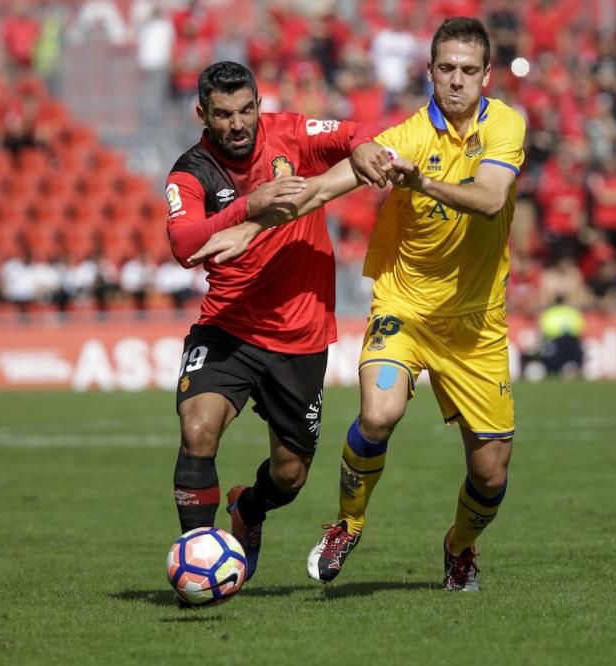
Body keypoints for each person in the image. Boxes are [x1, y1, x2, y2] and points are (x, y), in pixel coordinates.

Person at [189, 18, 526, 591]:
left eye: (469, 71)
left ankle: (459, 547)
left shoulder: (506, 126)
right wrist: (248, 226)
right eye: (446, 69)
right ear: (430, 72)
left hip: (476, 322)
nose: (456, 81)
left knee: (490, 473)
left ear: (487, 75)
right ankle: (347, 523)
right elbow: (319, 188)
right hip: (404, 305)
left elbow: (491, 201)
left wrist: (420, 184)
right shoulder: (407, 139)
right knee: (378, 414)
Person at [164, 61, 388, 590]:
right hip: (229, 328)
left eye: (246, 110)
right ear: (203, 114)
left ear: (259, 105)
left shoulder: (291, 133)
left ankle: (249, 506)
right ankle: (200, 571)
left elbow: (362, 133)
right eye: (223, 115)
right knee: (198, 431)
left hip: (300, 337)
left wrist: (360, 147)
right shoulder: (190, 172)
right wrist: (249, 205)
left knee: (290, 476)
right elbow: (183, 243)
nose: (238, 123)